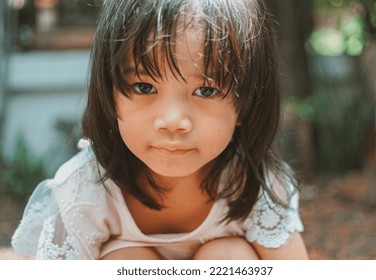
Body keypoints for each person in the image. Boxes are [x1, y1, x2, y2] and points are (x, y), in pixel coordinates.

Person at [11, 0, 308, 260]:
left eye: (206, 90)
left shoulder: (253, 184)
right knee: (128, 259)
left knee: (229, 255)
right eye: (144, 86)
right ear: (110, 94)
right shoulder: (84, 192)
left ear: (244, 104)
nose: (172, 120)